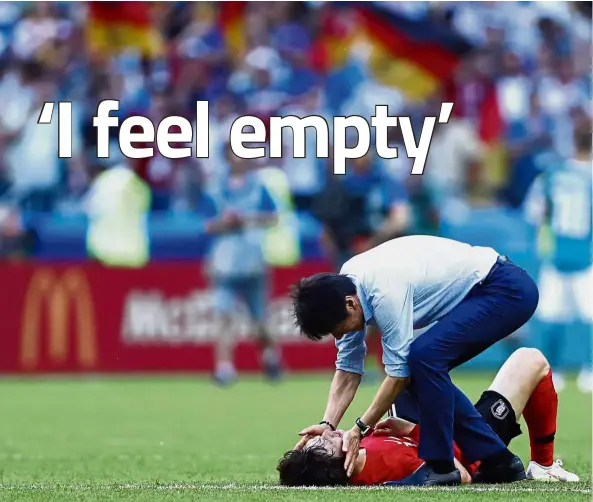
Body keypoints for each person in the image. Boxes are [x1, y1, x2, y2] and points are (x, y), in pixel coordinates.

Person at [290, 235, 539, 485]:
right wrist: (328, 424)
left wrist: (359, 429)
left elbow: (399, 375)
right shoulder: (346, 288)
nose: (339, 336)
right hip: (489, 289)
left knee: (423, 358)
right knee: (423, 362)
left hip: (506, 289)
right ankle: (497, 460)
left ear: (350, 304)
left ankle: (442, 467)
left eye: (338, 329)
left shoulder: (383, 290)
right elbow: (347, 368)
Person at [277, 348, 579, 486]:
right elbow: (456, 473)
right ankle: (543, 464)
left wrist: (402, 427)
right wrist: (411, 430)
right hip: (472, 445)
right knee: (531, 360)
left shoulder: (361, 451)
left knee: (406, 367)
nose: (326, 433)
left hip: (440, 426)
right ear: (339, 463)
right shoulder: (389, 470)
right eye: (325, 444)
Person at [206, 143, 283, 385]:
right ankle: (224, 368)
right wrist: (225, 222)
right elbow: (207, 224)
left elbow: (274, 217)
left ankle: (270, 357)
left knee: (258, 320)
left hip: (252, 261)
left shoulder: (258, 187)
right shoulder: (215, 188)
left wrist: (248, 218)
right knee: (224, 314)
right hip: (224, 262)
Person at [524, 119, 592, 393]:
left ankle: (554, 372)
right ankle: (589, 369)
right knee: (589, 316)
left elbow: (533, 212)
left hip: (556, 253)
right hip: (587, 255)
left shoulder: (552, 175)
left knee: (552, 317)